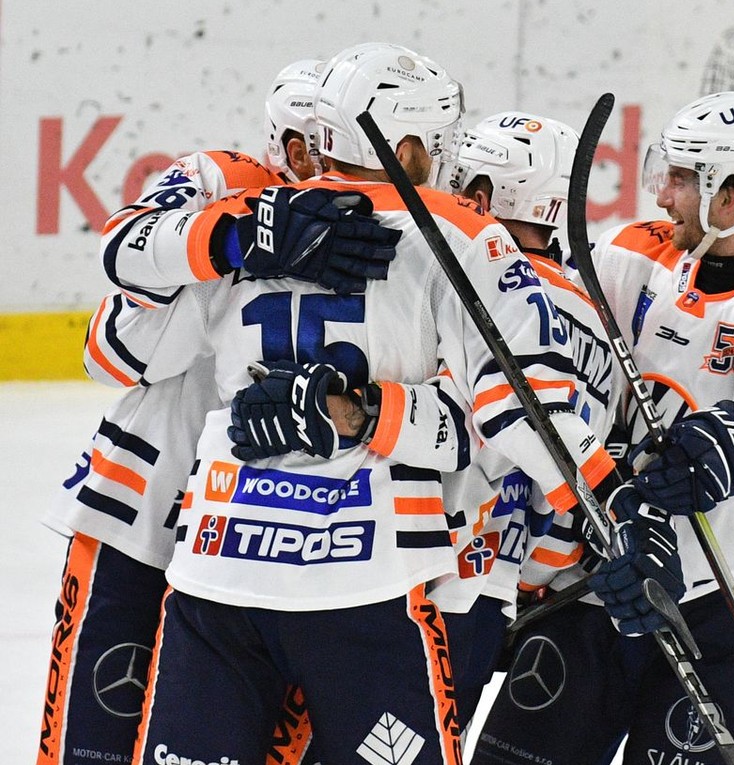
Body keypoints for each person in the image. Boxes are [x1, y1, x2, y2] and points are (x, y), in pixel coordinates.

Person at [108, 42, 626, 764]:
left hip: (218, 566)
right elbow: (521, 406)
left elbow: (134, 347)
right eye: (437, 144)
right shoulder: (461, 235)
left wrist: (230, 241)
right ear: (409, 144)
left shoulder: (253, 224)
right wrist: (608, 500)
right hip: (365, 575)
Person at [472, 91, 734, 765]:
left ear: (731, 197)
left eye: (680, 179)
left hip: (723, 599)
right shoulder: (628, 254)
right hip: (602, 576)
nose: (661, 193)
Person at [36, 57, 377, 765]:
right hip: (146, 526)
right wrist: (241, 237)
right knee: (92, 746)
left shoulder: (386, 230)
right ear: (292, 148)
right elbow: (112, 349)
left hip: (281, 547)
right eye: (326, 139)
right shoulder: (224, 183)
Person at [430, 111, 620, 727]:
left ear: (482, 198)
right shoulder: (599, 322)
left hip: (411, 570)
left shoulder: (460, 286)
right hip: (496, 589)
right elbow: (572, 477)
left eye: (461, 184)